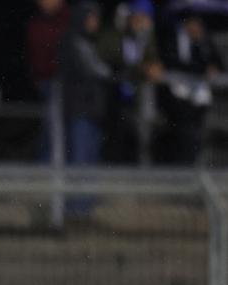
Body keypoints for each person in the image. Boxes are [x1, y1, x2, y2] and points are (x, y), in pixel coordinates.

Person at [97, 0, 162, 163]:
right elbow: (110, 58)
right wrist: (140, 68)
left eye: (144, 17)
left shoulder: (146, 37)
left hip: (136, 98)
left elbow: (152, 61)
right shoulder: (113, 34)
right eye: (137, 17)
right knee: (114, 139)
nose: (140, 21)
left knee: (137, 140)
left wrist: (153, 64)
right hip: (113, 96)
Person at [158, 15, 224, 165]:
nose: (195, 28)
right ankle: (183, 166)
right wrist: (200, 69)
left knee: (196, 133)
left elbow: (217, 64)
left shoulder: (204, 42)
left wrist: (201, 47)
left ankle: (192, 164)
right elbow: (173, 63)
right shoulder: (173, 38)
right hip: (178, 96)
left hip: (199, 96)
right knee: (183, 133)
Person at [58, 1, 112, 167]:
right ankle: (78, 194)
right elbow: (96, 72)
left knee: (90, 161)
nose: (95, 23)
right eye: (91, 18)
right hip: (79, 111)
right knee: (80, 160)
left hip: (91, 111)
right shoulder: (73, 41)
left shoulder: (89, 42)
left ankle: (87, 194)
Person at [26, 0, 70, 162]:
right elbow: (35, 56)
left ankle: (55, 170)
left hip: (65, 83)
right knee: (50, 128)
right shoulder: (37, 23)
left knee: (59, 130)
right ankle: (47, 169)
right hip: (45, 82)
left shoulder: (70, 21)